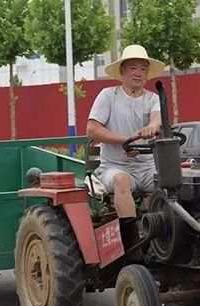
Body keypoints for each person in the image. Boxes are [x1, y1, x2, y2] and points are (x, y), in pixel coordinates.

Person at [86, 45, 165, 242]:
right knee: (121, 180)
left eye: (143, 68)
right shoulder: (108, 96)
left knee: (171, 182)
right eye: (133, 68)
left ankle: (161, 234)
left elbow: (157, 120)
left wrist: (152, 127)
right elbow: (92, 129)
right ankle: (132, 243)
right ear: (122, 71)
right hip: (115, 166)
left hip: (147, 167)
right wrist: (125, 141)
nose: (138, 73)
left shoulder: (153, 98)